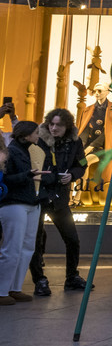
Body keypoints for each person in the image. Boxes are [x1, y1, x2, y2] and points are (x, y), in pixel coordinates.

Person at [31, 107, 86, 296]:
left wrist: (72, 175)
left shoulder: (75, 142)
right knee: (36, 240)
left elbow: (82, 166)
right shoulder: (38, 139)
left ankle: (72, 276)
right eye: (51, 124)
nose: (54, 128)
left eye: (59, 125)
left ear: (67, 127)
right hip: (40, 196)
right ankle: (39, 279)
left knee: (72, 239)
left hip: (60, 198)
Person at [0, 120, 43, 306]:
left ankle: (14, 288)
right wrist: (27, 175)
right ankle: (2, 290)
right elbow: (5, 178)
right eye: (36, 132)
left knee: (26, 248)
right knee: (13, 247)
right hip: (15, 203)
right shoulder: (12, 152)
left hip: (29, 202)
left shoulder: (26, 150)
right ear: (26, 135)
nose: (38, 135)